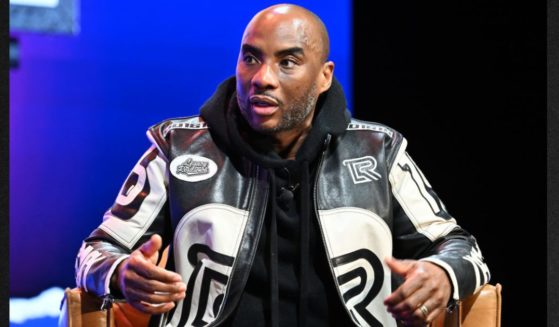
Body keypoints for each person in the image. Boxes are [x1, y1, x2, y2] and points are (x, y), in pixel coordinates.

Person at [75, 3, 490, 327]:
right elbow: (95, 251)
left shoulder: (378, 150)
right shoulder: (179, 148)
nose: (262, 78)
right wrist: (121, 272)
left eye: (287, 62)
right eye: (251, 58)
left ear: (324, 76)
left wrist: (441, 274)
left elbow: (464, 250)